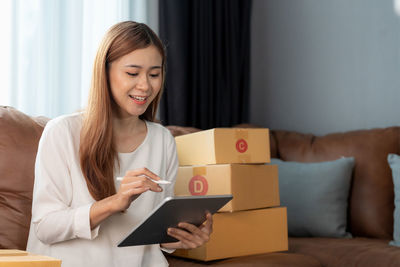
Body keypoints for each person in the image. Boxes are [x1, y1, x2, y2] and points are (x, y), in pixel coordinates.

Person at [26, 21, 213, 267]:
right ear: (104, 73)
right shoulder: (62, 132)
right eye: (132, 73)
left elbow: (155, 233)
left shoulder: (162, 140)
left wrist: (180, 238)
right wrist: (114, 203)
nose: (145, 85)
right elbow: (46, 227)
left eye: (154, 74)